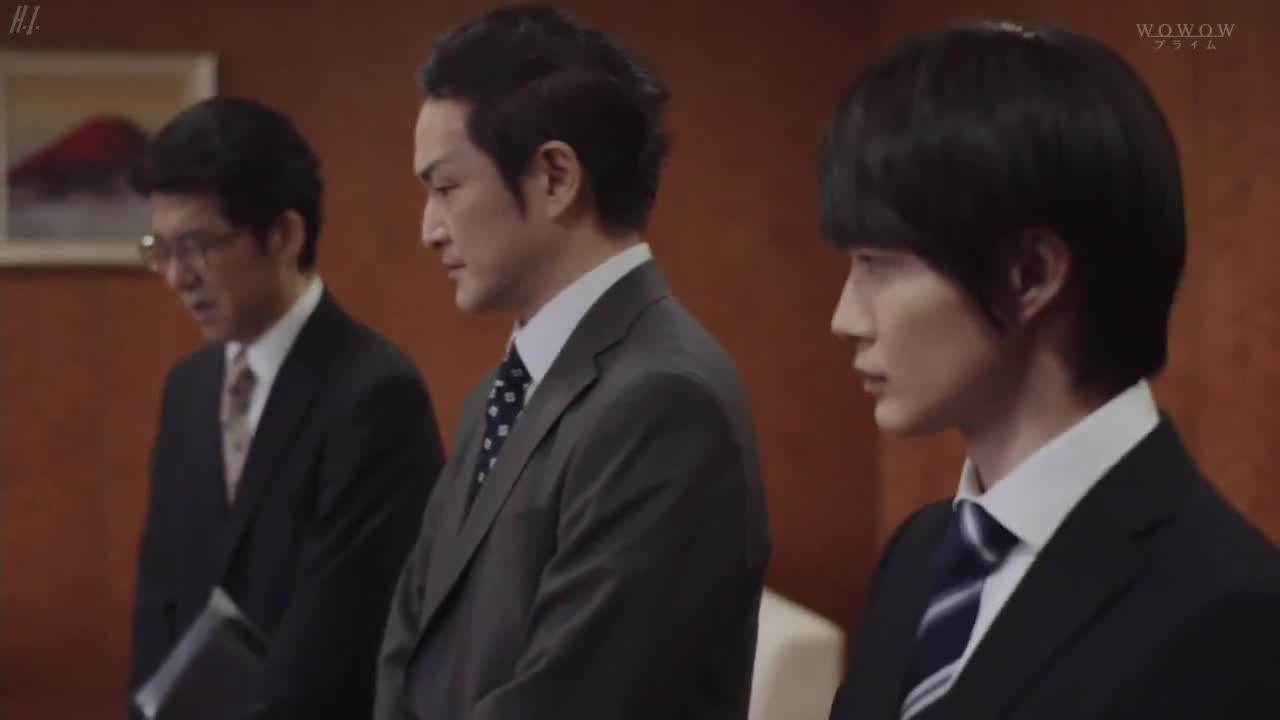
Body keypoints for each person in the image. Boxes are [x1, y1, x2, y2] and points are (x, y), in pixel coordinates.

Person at [820, 20, 1280, 720]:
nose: (845, 317)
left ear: (1030, 275)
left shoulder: (1232, 617)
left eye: (877, 265)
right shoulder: (920, 552)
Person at [373, 5, 771, 719]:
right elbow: (412, 638)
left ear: (556, 177)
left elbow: (574, 698)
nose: (429, 229)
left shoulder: (665, 399)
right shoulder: (499, 391)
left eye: (446, 188)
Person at [127, 96, 446, 719]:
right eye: (160, 248)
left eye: (196, 246)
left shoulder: (375, 393)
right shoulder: (188, 388)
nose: (176, 277)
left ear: (283, 235)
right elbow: (159, 607)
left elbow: (338, 644)